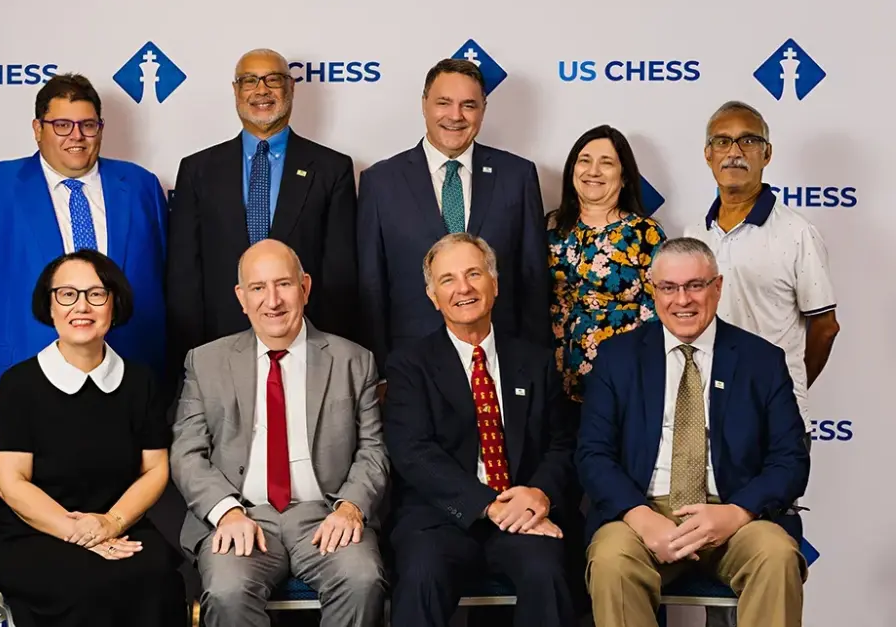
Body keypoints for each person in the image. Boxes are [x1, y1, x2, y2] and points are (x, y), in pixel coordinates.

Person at [0, 73, 168, 507]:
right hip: (16, 382)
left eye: (87, 124)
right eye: (62, 125)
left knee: (120, 519)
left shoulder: (141, 186)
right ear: (38, 128)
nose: (75, 136)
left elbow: (167, 284)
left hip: (123, 384)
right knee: (29, 523)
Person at [577, 237, 810, 627]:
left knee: (777, 555)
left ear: (717, 288)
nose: (682, 300)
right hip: (644, 513)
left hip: (733, 514)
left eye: (695, 285)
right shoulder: (618, 358)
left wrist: (737, 513)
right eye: (669, 287)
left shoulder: (762, 360)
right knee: (611, 559)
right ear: (654, 292)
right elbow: (592, 454)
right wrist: (639, 515)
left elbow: (790, 458)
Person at [169, 239, 389, 627]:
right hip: (241, 514)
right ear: (241, 297)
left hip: (326, 516)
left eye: (284, 284)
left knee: (362, 580)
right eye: (258, 288)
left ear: (304, 286)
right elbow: (187, 453)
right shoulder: (206, 361)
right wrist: (226, 512)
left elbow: (373, 451)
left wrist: (351, 507)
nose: (272, 300)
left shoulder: (355, 360)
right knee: (227, 593)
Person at [382, 233, 578, 627]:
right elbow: (413, 452)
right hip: (440, 517)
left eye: (474, 274)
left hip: (524, 515)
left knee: (548, 572)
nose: (463, 288)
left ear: (495, 283)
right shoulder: (409, 365)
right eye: (448, 280)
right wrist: (487, 504)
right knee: (421, 576)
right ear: (433, 296)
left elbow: (563, 444)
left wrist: (539, 495)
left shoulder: (536, 362)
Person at [0, 250, 181, 627]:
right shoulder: (19, 384)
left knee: (157, 577)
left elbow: (155, 469)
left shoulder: (140, 382)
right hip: (34, 532)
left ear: (114, 303)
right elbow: (9, 480)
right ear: (50, 306)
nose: (82, 306)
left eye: (96, 294)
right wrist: (78, 532)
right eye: (67, 294)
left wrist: (110, 523)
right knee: (88, 586)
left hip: (119, 525)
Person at [167, 48, 358, 376]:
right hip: (218, 347)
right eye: (249, 81)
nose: (261, 90)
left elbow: (340, 271)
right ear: (236, 91)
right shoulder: (197, 170)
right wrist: (189, 356)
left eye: (273, 80)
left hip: (306, 347)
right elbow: (184, 274)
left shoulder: (332, 169)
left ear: (291, 88)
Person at [357, 58, 548, 375]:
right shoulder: (380, 182)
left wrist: (538, 369)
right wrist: (378, 374)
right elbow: (371, 288)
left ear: (483, 109)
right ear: (424, 105)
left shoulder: (518, 176)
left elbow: (533, 280)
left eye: (468, 105)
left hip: (503, 364)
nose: (455, 116)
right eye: (443, 103)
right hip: (412, 369)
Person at [685, 100, 839, 446]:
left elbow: (825, 328)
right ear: (708, 154)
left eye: (748, 141)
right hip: (704, 418)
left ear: (766, 154)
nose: (735, 152)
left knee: (768, 504)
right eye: (722, 141)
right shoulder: (694, 233)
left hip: (774, 421)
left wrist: (783, 385)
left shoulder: (796, 232)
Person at [547, 124, 666, 404]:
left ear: (624, 176)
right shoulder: (551, 230)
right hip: (556, 383)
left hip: (623, 386)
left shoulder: (644, 234)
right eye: (584, 161)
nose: (593, 171)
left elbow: (658, 314)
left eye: (607, 163)